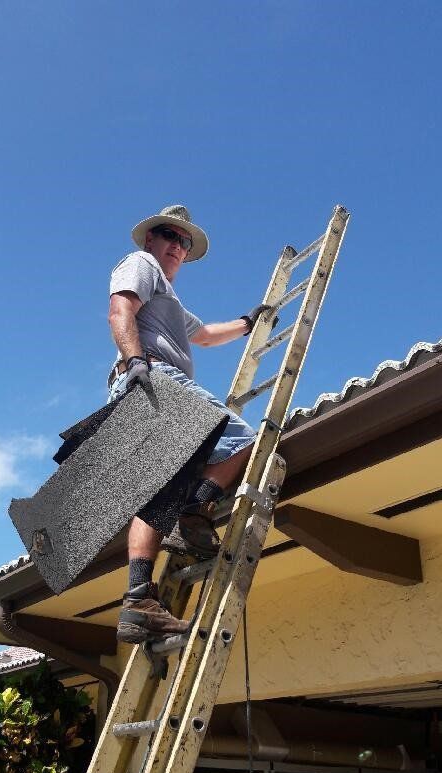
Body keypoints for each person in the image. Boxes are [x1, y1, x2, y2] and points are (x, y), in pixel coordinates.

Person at [106, 204, 270, 643]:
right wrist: (136, 361)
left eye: (183, 242)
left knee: (158, 494)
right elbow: (119, 310)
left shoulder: (171, 302)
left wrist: (248, 322)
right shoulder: (140, 265)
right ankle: (195, 512)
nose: (177, 247)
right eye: (169, 237)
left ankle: (139, 600)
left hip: (146, 379)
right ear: (150, 240)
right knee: (242, 439)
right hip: (151, 375)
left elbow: (207, 335)